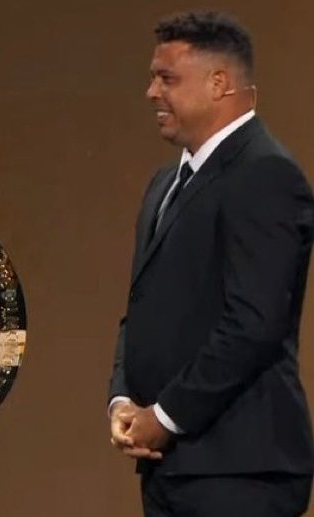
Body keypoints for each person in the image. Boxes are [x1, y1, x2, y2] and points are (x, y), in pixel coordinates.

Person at [108, 11, 314, 516]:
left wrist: (166, 416)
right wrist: (123, 400)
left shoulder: (265, 175)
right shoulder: (164, 184)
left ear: (219, 83)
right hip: (171, 466)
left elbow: (253, 324)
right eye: (153, 78)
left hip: (240, 470)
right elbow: (144, 309)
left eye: (167, 79)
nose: (151, 93)